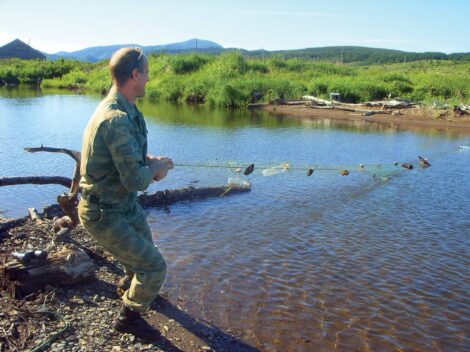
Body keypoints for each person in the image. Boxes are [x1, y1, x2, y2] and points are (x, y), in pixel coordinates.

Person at [78, 47, 173, 341]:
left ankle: (129, 285)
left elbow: (129, 162)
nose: (148, 80)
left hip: (122, 205)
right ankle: (128, 317)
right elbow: (134, 180)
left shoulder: (126, 108)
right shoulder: (115, 119)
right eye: (146, 74)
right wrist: (155, 172)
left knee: (144, 254)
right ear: (134, 75)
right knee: (155, 266)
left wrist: (148, 161)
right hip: (104, 212)